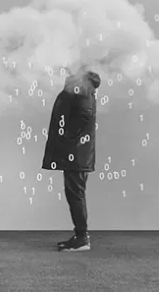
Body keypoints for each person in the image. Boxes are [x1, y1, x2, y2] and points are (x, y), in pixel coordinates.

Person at [41, 66, 101, 252]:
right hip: (76, 153)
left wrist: (68, 138)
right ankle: (80, 236)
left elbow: (82, 117)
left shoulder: (81, 91)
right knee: (74, 194)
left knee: (75, 194)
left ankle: (82, 238)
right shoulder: (82, 90)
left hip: (76, 154)